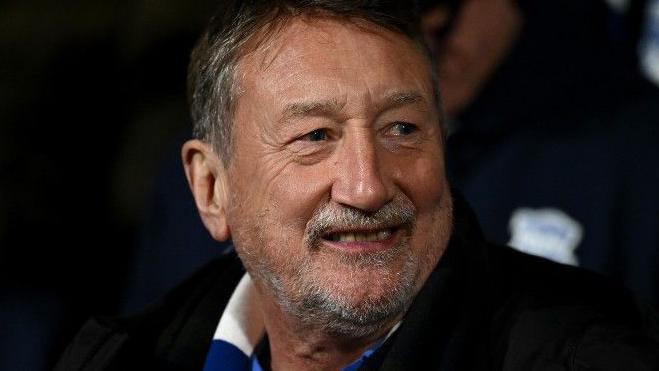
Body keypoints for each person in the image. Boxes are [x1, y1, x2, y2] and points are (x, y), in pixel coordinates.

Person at [56, 1, 659, 370]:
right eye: (315, 136)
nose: (367, 187)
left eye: (401, 128)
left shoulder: (583, 356)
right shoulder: (117, 358)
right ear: (211, 188)